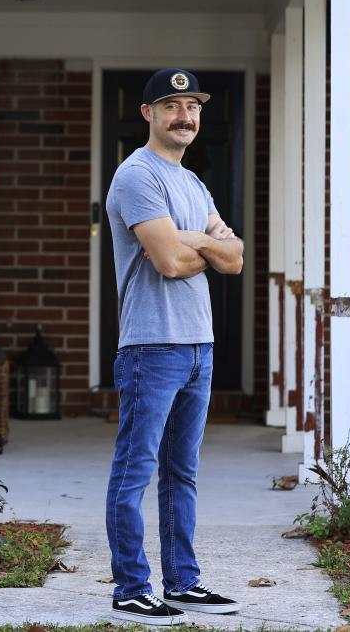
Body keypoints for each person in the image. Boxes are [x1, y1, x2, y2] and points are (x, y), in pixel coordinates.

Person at [104, 68, 244, 626]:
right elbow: (166, 263)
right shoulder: (136, 176)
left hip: (198, 345)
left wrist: (199, 242)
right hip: (151, 347)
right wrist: (206, 243)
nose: (184, 116)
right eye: (171, 106)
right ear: (148, 114)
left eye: (192, 106)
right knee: (135, 470)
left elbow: (235, 259)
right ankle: (131, 588)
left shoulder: (193, 183)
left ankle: (182, 583)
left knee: (181, 472)